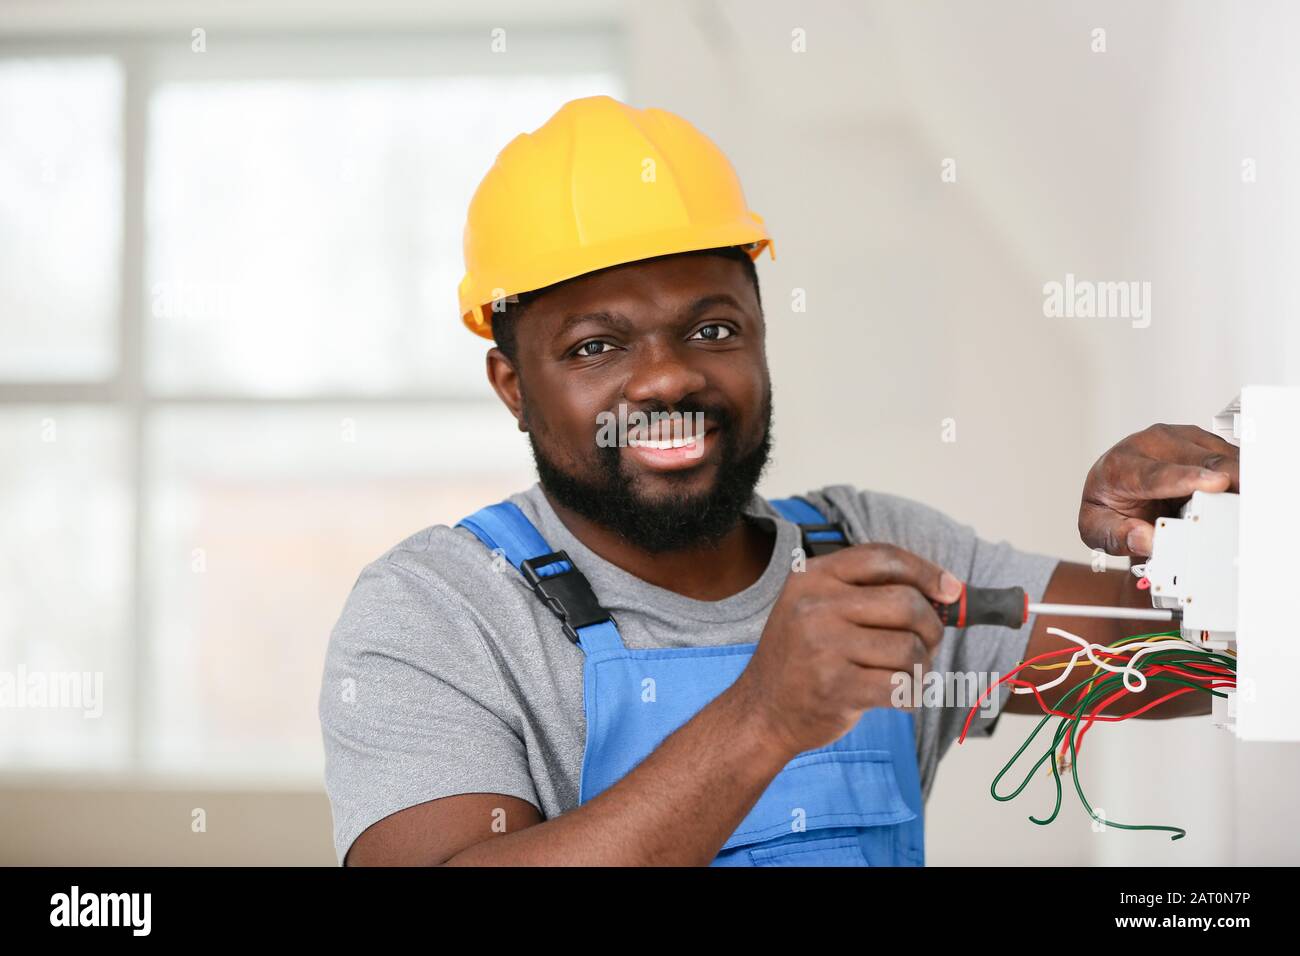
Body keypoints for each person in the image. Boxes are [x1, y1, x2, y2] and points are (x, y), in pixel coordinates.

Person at [318, 96, 1240, 866]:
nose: (669, 378)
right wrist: (761, 717)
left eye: (711, 329)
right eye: (595, 346)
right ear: (514, 386)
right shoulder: (437, 612)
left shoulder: (878, 558)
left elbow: (1216, 659)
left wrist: (1228, 528)